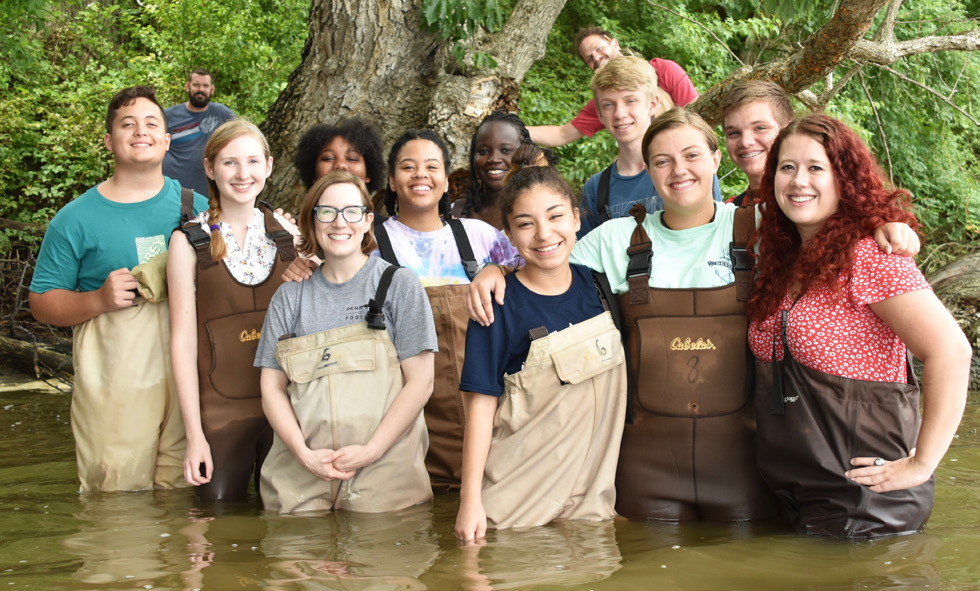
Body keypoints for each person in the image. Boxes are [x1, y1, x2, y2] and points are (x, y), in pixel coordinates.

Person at [465, 108, 921, 522]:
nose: (678, 170)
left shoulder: (761, 226)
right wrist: (495, 269)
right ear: (647, 170)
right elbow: (546, 260)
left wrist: (881, 225)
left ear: (715, 158)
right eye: (662, 161)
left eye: (690, 155)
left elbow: (824, 217)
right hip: (646, 468)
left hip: (744, 466)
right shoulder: (612, 240)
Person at [747, 114, 970, 538]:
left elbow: (952, 353)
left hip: (864, 501)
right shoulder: (778, 259)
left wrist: (922, 462)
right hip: (794, 493)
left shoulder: (871, 254)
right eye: (787, 167)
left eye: (816, 168)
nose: (798, 181)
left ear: (843, 178)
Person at [29, 85, 209, 492]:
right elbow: (41, 303)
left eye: (151, 124)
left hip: (188, 372)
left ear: (167, 141)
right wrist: (97, 299)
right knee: (115, 490)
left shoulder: (198, 208)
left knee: (185, 491)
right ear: (110, 141)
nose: (140, 131)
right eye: (127, 124)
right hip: (114, 375)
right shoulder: (74, 219)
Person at [454, 164, 628, 540]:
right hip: (517, 499)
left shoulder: (599, 287)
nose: (544, 234)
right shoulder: (496, 303)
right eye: (526, 223)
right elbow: (480, 405)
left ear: (577, 219)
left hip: (590, 503)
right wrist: (470, 502)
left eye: (555, 216)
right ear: (510, 236)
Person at [254, 171, 437, 513]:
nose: (340, 223)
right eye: (327, 212)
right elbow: (271, 387)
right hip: (301, 469)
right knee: (296, 561)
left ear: (368, 221)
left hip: (385, 467)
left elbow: (422, 382)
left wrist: (372, 451)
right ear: (312, 221)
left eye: (351, 212)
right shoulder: (289, 297)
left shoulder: (399, 286)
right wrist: (303, 455)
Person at [168, 119, 299, 501]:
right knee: (218, 526)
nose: (243, 174)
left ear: (269, 166)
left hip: (288, 413)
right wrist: (194, 435)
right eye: (230, 163)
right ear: (210, 168)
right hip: (220, 416)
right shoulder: (187, 242)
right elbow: (182, 343)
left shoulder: (292, 236)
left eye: (253, 162)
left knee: (296, 530)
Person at [577, 56, 720, 238]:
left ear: (652, 105)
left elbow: (716, 234)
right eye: (608, 105)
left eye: (630, 101)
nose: (620, 114)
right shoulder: (596, 189)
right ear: (599, 114)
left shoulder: (689, 170)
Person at [528, 26, 698, 148]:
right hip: (643, 168)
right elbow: (562, 134)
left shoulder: (663, 70)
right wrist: (510, 128)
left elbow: (697, 114)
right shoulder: (604, 102)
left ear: (615, 44)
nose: (596, 58)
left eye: (599, 48)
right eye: (589, 58)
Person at [451, 111, 556, 231]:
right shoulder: (455, 212)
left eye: (506, 150)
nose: (494, 159)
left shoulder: (546, 212)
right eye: (484, 151)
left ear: (524, 152)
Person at [720, 80, 795, 206]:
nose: (745, 142)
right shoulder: (732, 212)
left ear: (787, 129)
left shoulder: (811, 204)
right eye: (733, 133)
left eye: (760, 128)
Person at [163, 69, 236, 196]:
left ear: (212, 89)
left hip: (206, 193)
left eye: (205, 86)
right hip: (171, 190)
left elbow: (242, 137)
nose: (200, 89)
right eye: (196, 85)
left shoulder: (221, 114)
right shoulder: (168, 116)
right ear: (187, 86)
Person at [293, 118, 386, 194]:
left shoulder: (387, 218)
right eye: (329, 158)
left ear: (368, 174)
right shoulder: (298, 218)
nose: (340, 165)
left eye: (352, 158)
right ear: (313, 173)